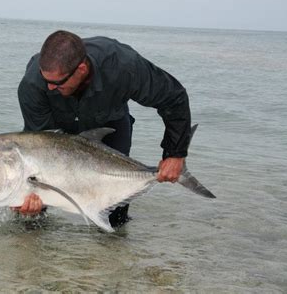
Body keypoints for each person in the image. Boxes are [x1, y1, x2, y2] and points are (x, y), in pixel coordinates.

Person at [14, 30, 192, 228]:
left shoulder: (123, 66)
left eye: (57, 83)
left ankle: (111, 254)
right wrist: (25, 194)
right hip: (55, 133)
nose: (49, 88)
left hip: (111, 125)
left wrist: (175, 154)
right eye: (45, 79)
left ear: (81, 69)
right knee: (30, 218)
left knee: (115, 221)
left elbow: (173, 98)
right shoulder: (32, 85)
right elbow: (39, 146)